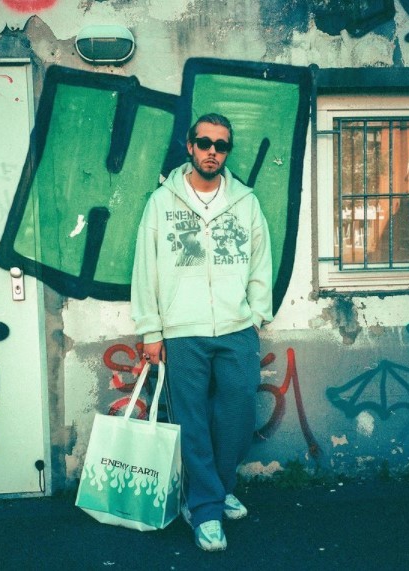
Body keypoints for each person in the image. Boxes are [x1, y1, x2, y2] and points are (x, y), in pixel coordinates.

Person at [131, 113, 272, 552]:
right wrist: (151, 329)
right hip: (182, 331)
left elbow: (259, 264)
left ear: (227, 152)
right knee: (191, 422)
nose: (213, 151)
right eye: (205, 142)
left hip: (235, 329)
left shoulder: (245, 202)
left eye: (221, 145)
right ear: (190, 147)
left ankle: (214, 488)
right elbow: (146, 268)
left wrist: (256, 316)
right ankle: (207, 511)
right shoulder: (162, 201)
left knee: (237, 417)